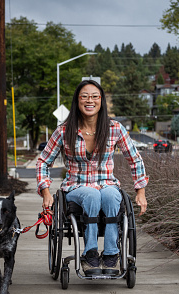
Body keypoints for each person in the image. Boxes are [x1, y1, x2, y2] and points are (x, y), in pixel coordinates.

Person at [36, 80, 148, 276]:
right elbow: (43, 162)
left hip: (107, 184)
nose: (90, 100)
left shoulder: (115, 128)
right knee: (91, 195)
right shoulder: (64, 130)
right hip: (75, 187)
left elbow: (135, 160)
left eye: (95, 96)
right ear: (77, 101)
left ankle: (112, 255)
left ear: (101, 101)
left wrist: (140, 191)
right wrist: (45, 192)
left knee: (112, 196)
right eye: (84, 96)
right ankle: (90, 254)